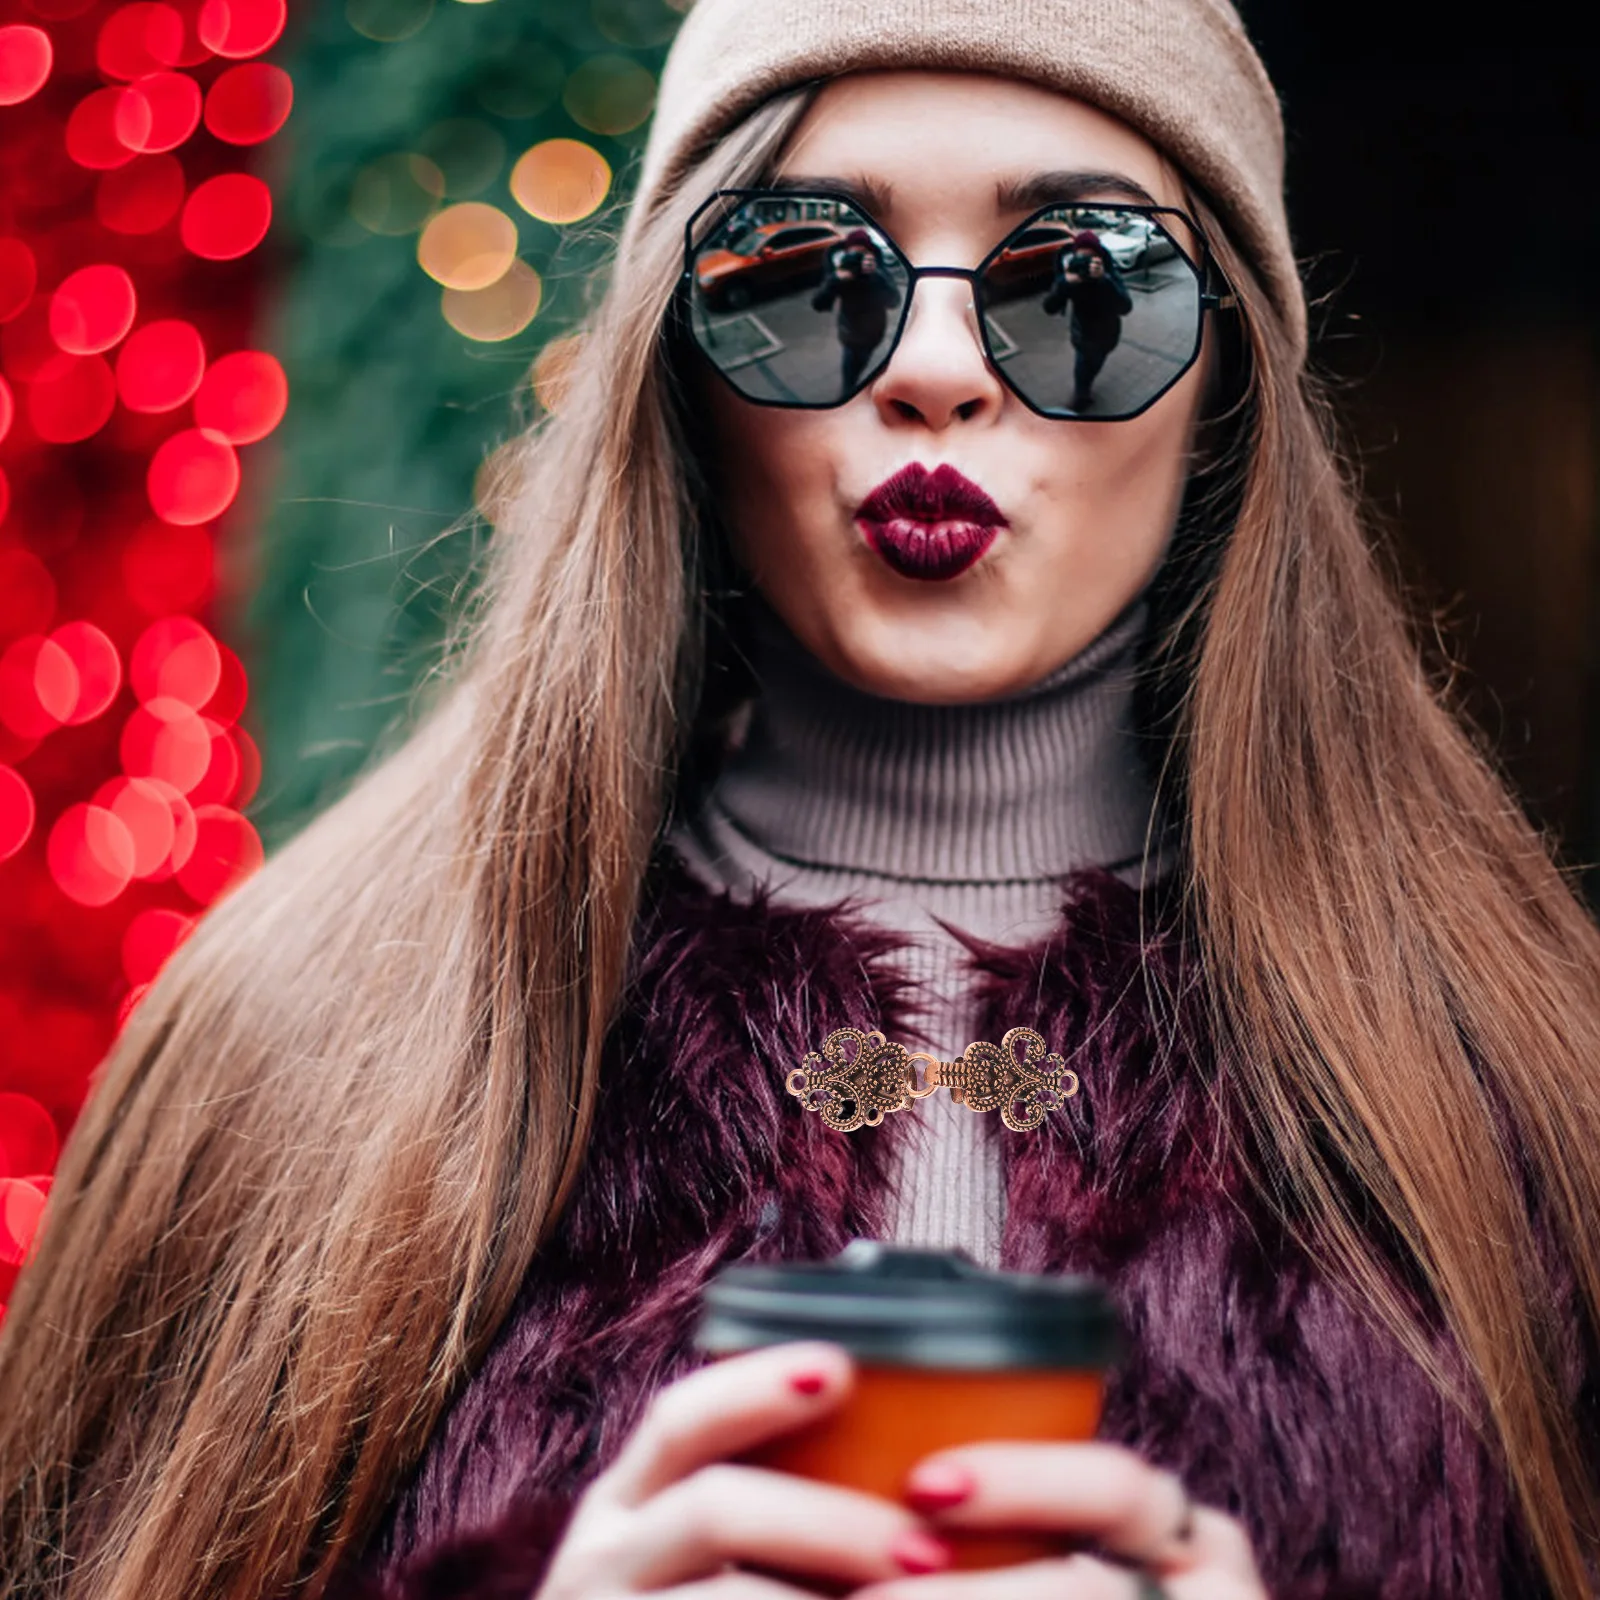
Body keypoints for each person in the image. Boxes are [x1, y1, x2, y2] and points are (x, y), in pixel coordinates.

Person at [3, 4, 1600, 1600]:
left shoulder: (1521, 1102)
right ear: (673, 356)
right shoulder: (293, 1047)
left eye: (1085, 286)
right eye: (803, 274)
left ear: (1229, 377)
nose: (935, 372)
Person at [1040, 230, 1134, 410]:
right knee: (1082, 370)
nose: (1085, 264)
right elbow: (1049, 308)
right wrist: (1064, 284)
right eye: (1081, 258)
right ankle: (1081, 396)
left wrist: (1104, 280)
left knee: (1095, 365)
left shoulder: (1108, 273)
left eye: (1090, 259)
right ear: (1074, 256)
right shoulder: (1069, 277)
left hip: (1107, 337)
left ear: (1099, 259)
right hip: (1083, 338)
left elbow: (1126, 307)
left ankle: (1085, 390)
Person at [810, 226, 903, 393]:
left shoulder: (877, 271)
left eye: (862, 254)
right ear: (846, 253)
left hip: (874, 335)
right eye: (854, 254)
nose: (857, 260)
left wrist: (875, 275)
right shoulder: (841, 274)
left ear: (871, 255)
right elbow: (819, 304)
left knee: (862, 364)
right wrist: (835, 280)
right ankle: (847, 395)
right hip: (851, 337)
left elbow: (894, 301)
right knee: (849, 379)